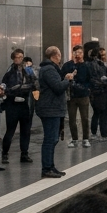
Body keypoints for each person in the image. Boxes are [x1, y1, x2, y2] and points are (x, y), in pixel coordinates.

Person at [36, 46, 68, 179]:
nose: (60, 58)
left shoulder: (50, 68)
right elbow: (58, 87)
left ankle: (50, 166)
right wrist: (67, 79)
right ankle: (47, 168)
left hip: (52, 108)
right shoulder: (49, 69)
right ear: (55, 56)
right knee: (50, 139)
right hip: (50, 109)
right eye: (60, 55)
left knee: (53, 139)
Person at [1, 49, 36, 164]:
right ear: (13, 58)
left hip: (25, 103)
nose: (19, 59)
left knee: (25, 130)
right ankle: (5, 153)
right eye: (17, 57)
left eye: (21, 57)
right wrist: (16, 90)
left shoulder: (27, 70)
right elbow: (6, 88)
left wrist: (23, 88)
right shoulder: (10, 71)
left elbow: (33, 83)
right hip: (12, 104)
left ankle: (24, 153)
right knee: (10, 130)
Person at [63, 45, 92, 148]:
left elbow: (90, 79)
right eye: (75, 53)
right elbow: (62, 77)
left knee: (85, 117)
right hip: (71, 95)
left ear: (83, 54)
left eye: (80, 52)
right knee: (72, 118)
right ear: (72, 53)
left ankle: (85, 138)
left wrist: (86, 88)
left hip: (83, 95)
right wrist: (67, 78)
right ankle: (74, 139)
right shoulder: (67, 66)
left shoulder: (87, 66)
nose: (77, 55)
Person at [85, 43, 107, 142]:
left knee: (96, 113)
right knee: (104, 113)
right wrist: (105, 83)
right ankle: (103, 134)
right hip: (102, 91)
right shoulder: (99, 64)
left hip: (94, 92)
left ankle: (94, 133)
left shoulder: (87, 64)